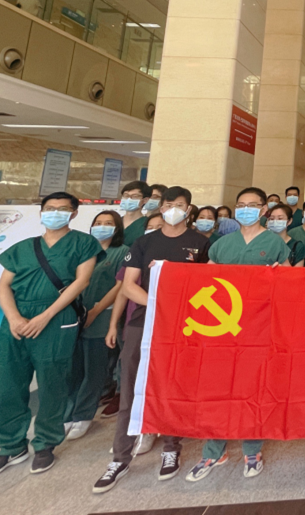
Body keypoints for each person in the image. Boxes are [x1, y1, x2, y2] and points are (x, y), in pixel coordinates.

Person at [0, 192, 103, 480]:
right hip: (16, 321)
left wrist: (46, 316)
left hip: (57, 319)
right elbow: (3, 287)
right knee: (8, 385)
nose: (55, 213)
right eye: (50, 208)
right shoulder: (23, 248)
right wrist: (14, 317)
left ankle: (45, 443)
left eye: (62, 209)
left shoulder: (84, 244)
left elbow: (82, 281)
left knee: (52, 384)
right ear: (41, 212)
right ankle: (10, 446)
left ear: (73, 214)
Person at [93, 186, 210, 493]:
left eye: (180, 205)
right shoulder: (145, 242)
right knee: (132, 386)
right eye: (168, 204)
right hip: (143, 322)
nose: (173, 210)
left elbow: (209, 284)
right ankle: (120, 457)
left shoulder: (201, 243)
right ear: (161, 207)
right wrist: (159, 304)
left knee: (173, 385)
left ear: (189, 209)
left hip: (182, 326)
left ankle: (171, 447)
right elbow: (129, 285)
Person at [188, 188, 290, 483]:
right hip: (223, 329)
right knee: (218, 387)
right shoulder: (222, 244)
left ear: (263, 210)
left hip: (259, 326)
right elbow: (204, 281)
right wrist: (164, 271)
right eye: (241, 205)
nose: (246, 209)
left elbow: (291, 284)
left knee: (254, 387)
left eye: (252, 205)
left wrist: (280, 275)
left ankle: (252, 450)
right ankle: (213, 450)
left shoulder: (274, 243)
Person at [64, 210, 128, 442]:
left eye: (108, 223)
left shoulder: (122, 252)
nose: (102, 226)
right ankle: (68, 414)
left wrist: (96, 310)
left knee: (95, 368)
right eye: (98, 222)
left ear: (117, 228)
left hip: (102, 316)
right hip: (75, 314)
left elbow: (120, 286)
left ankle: (83, 415)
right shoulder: (83, 250)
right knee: (74, 369)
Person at [118, 181, 152, 246]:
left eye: (134, 196)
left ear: (145, 200)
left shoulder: (147, 224)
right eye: (126, 195)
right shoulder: (115, 222)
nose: (129, 199)